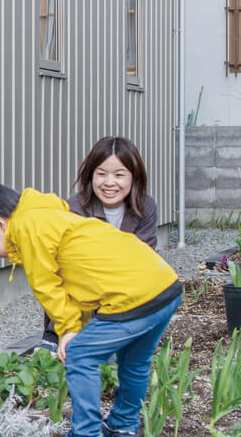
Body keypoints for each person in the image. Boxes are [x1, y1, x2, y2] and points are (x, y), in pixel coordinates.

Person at [0, 182, 182, 437]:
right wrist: (78, 325)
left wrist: (68, 330)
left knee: (80, 355)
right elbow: (81, 279)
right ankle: (122, 427)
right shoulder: (48, 216)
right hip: (163, 284)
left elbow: (47, 286)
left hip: (133, 296)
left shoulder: (27, 228)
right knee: (134, 361)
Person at [39, 136, 161, 349]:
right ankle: (55, 337)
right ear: (90, 175)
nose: (109, 182)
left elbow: (144, 260)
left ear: (134, 177)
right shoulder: (74, 208)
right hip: (80, 304)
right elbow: (72, 271)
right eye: (101, 174)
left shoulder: (145, 206)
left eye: (119, 175)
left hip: (125, 304)